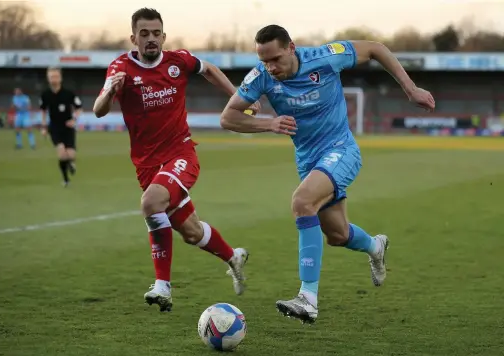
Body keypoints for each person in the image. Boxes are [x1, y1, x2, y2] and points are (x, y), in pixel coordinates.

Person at [220, 25, 435, 324]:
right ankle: (376, 246)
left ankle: (307, 299)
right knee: (337, 234)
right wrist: (268, 124)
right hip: (308, 160)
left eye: (276, 59)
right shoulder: (261, 77)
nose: (271, 67)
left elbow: (376, 48)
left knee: (301, 202)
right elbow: (228, 117)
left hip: (341, 149)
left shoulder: (326, 57)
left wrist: (410, 89)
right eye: (264, 60)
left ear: (292, 48)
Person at [92, 8, 260, 313]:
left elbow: (208, 70)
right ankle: (233, 257)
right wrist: (110, 92)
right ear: (134, 38)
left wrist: (240, 98)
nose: (151, 39)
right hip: (146, 165)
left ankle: (163, 287)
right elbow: (99, 109)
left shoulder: (178, 60)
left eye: (156, 33)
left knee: (151, 202)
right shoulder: (119, 68)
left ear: (164, 36)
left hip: (180, 154)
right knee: (191, 232)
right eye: (144, 34)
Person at [40, 67, 82, 187]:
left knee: (70, 155)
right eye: (51, 77)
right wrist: (43, 127)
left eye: (56, 76)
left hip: (68, 128)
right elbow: (43, 111)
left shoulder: (68, 93)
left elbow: (79, 108)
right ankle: (65, 180)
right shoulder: (45, 95)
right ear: (48, 79)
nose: (54, 79)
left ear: (60, 78)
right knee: (62, 153)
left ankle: (70, 162)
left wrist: (74, 119)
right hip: (54, 128)